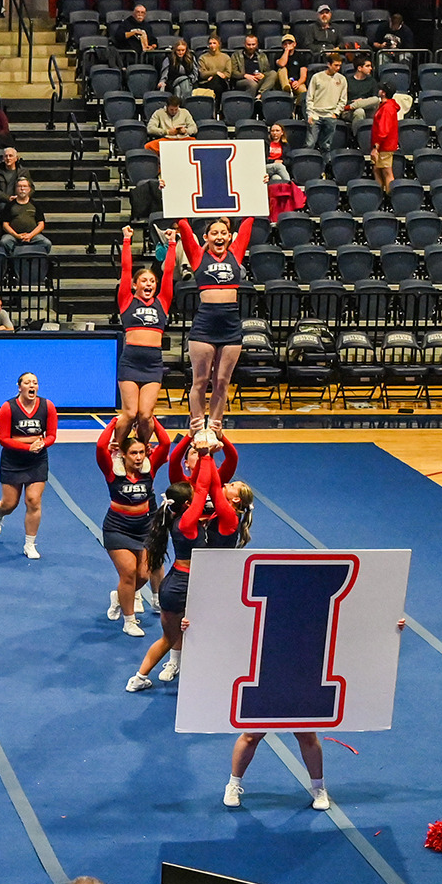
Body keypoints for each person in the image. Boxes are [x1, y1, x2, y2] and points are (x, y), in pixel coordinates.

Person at [127, 460, 250, 696]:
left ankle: (139, 677)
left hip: (176, 582)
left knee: (171, 636)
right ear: (188, 503)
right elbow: (206, 489)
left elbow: (205, 491)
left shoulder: (179, 519)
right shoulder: (190, 521)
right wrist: (206, 456)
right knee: (202, 633)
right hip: (195, 585)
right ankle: (212, 676)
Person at [175, 215, 255, 432]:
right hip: (204, 326)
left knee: (222, 381)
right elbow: (182, 223)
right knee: (200, 380)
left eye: (223, 233)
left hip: (230, 327)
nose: (219, 237)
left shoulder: (235, 254)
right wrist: (170, 189)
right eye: (214, 233)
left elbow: (248, 221)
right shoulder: (198, 257)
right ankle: (198, 426)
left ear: (229, 237)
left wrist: (261, 186)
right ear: (206, 237)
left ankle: (216, 426)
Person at [96, 420, 168, 638]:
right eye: (133, 453)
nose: (138, 457)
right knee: (128, 573)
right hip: (117, 528)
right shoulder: (113, 472)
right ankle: (129, 620)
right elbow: (100, 448)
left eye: (141, 453)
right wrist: (115, 424)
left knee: (144, 574)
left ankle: (120, 597)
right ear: (124, 455)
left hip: (144, 528)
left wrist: (149, 420)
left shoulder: (149, 469)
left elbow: (165, 444)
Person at [116, 225, 178, 450]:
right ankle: (117, 448)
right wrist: (126, 241)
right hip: (131, 361)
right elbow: (125, 269)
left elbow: (169, 272)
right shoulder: (127, 301)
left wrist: (172, 244)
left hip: (152, 363)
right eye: (143, 281)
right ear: (135, 285)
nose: (149, 284)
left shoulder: (162, 302)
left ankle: (141, 451)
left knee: (145, 415)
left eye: (152, 281)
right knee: (130, 413)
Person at [0, 372, 54, 559]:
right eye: (27, 382)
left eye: (35, 382)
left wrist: (42, 444)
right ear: (20, 387)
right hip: (13, 460)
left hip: (37, 460)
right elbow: (3, 439)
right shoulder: (7, 408)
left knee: (33, 500)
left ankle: (30, 544)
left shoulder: (47, 406)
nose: (32, 385)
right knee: (10, 504)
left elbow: (51, 435)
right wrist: (27, 447)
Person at [306, 53, 348, 153]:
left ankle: (324, 168)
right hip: (315, 114)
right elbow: (309, 97)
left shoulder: (342, 79)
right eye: (336, 65)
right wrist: (310, 114)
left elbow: (343, 99)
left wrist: (336, 113)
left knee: (326, 146)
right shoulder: (317, 77)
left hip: (330, 115)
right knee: (310, 144)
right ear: (329, 64)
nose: (338, 68)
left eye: (339, 66)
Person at [0, 178, 49, 253]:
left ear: (29, 189)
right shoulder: (9, 205)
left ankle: (40, 262)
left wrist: (30, 235)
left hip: (32, 236)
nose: (22, 189)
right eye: (19, 186)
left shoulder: (35, 204)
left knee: (46, 243)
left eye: (25, 186)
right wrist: (17, 235)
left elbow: (41, 224)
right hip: (13, 236)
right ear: (15, 189)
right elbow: (5, 225)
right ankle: (13, 261)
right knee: (4, 241)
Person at [370, 82, 401, 193]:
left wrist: (376, 147)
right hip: (383, 145)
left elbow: (384, 129)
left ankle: (389, 198)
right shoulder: (386, 106)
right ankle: (380, 195)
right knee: (377, 169)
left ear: (383, 93)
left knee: (387, 172)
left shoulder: (387, 108)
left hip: (384, 146)